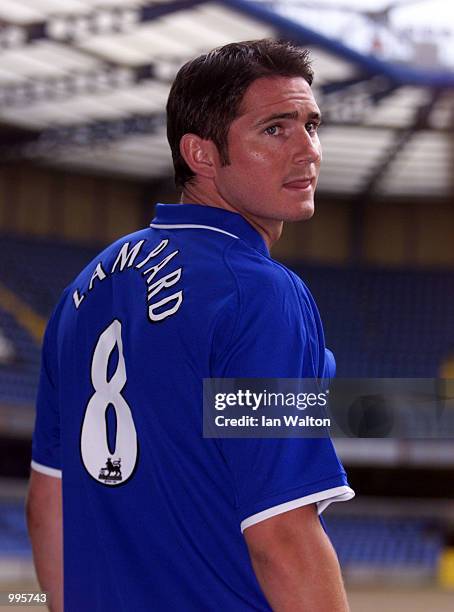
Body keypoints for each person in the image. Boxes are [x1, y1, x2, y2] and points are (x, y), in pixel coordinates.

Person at [27, 39, 354, 612]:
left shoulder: (85, 286)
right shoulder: (259, 293)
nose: (308, 150)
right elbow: (282, 535)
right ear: (201, 155)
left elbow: (48, 501)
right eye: (276, 129)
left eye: (311, 124)